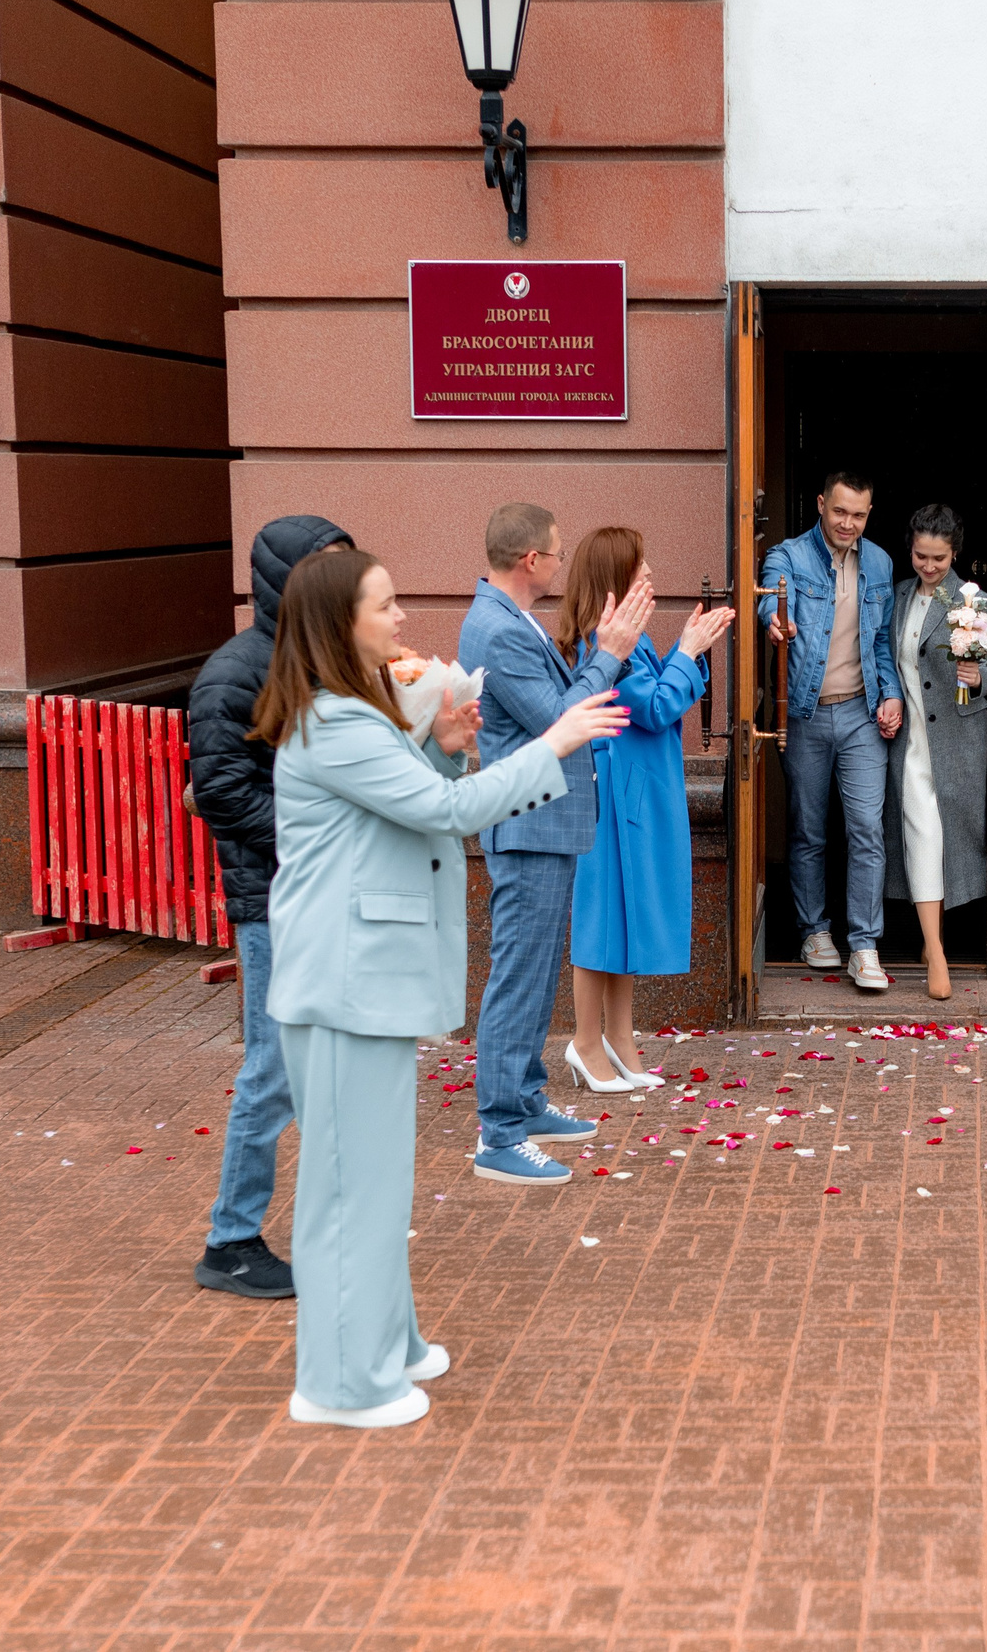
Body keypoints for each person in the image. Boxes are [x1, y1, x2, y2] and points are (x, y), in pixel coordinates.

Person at [258, 548, 626, 1427]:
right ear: (338, 624)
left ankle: (387, 1341)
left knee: (377, 1182)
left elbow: (418, 798)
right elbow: (445, 814)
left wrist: (446, 747)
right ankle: (342, 1385)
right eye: (384, 605)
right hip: (343, 983)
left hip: (361, 981)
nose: (400, 620)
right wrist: (555, 743)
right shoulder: (336, 721)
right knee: (351, 1190)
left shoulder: (355, 710)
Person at [457, 503, 655, 1181]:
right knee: (519, 979)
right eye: (557, 553)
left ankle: (525, 1100)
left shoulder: (510, 618)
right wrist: (610, 653)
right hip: (528, 825)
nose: (562, 564)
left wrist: (604, 655)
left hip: (543, 823)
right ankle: (500, 1135)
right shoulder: (498, 628)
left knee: (536, 975)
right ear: (530, 560)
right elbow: (562, 720)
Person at [184, 513, 352, 1299]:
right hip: (275, 899)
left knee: (324, 1067)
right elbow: (220, 791)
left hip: (327, 893)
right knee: (274, 1069)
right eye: (326, 567)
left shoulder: (329, 661)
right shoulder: (236, 670)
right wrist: (315, 835)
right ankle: (231, 1239)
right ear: (285, 579)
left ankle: (328, 1222)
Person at [558, 527, 733, 1089]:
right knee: (601, 916)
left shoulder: (626, 639)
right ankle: (586, 1041)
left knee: (622, 915)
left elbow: (659, 699)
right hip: (613, 795)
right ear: (616, 577)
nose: (650, 572)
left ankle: (618, 1036)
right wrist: (689, 651)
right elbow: (655, 708)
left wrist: (685, 652)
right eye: (640, 565)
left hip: (630, 789)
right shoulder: (603, 642)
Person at [760, 470, 901, 992]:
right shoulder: (789, 556)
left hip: (862, 713)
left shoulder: (880, 562)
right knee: (809, 828)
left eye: (858, 515)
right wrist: (776, 620)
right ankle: (814, 931)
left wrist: (891, 693)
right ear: (821, 503)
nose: (848, 523)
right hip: (806, 713)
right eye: (840, 511)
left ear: (869, 514)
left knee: (866, 827)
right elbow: (772, 598)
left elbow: (881, 641)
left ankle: (864, 946)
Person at [883, 505, 987, 1001]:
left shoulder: (972, 600)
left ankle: (936, 943)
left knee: (949, 840)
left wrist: (977, 677)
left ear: (954, 554)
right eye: (920, 556)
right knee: (922, 838)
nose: (928, 566)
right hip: (909, 743)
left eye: (938, 558)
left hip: (956, 741)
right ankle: (936, 950)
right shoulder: (897, 596)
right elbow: (885, 659)